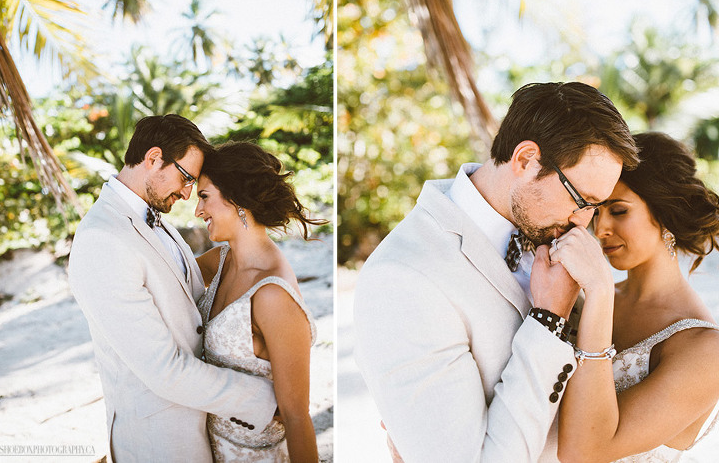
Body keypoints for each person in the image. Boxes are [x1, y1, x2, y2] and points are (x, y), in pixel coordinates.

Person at [354, 81, 640, 462]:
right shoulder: (403, 276)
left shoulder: (552, 236)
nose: (582, 222)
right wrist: (548, 320)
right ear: (525, 160)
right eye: (581, 200)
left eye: (596, 206)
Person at [69, 115, 277, 463]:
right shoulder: (101, 239)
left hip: (200, 423)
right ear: (153, 159)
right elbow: (164, 370)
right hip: (159, 440)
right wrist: (265, 398)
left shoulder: (150, 218)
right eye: (186, 178)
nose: (186, 193)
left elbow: (180, 295)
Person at [555, 132, 719, 462]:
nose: (600, 230)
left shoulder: (706, 351)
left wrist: (600, 294)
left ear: (665, 214)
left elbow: (584, 451)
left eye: (618, 211)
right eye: (596, 212)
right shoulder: (584, 297)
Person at [194, 141, 325, 463]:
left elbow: (296, 417)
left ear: (237, 199)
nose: (198, 210)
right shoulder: (220, 260)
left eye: (204, 196)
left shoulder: (272, 294)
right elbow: (167, 277)